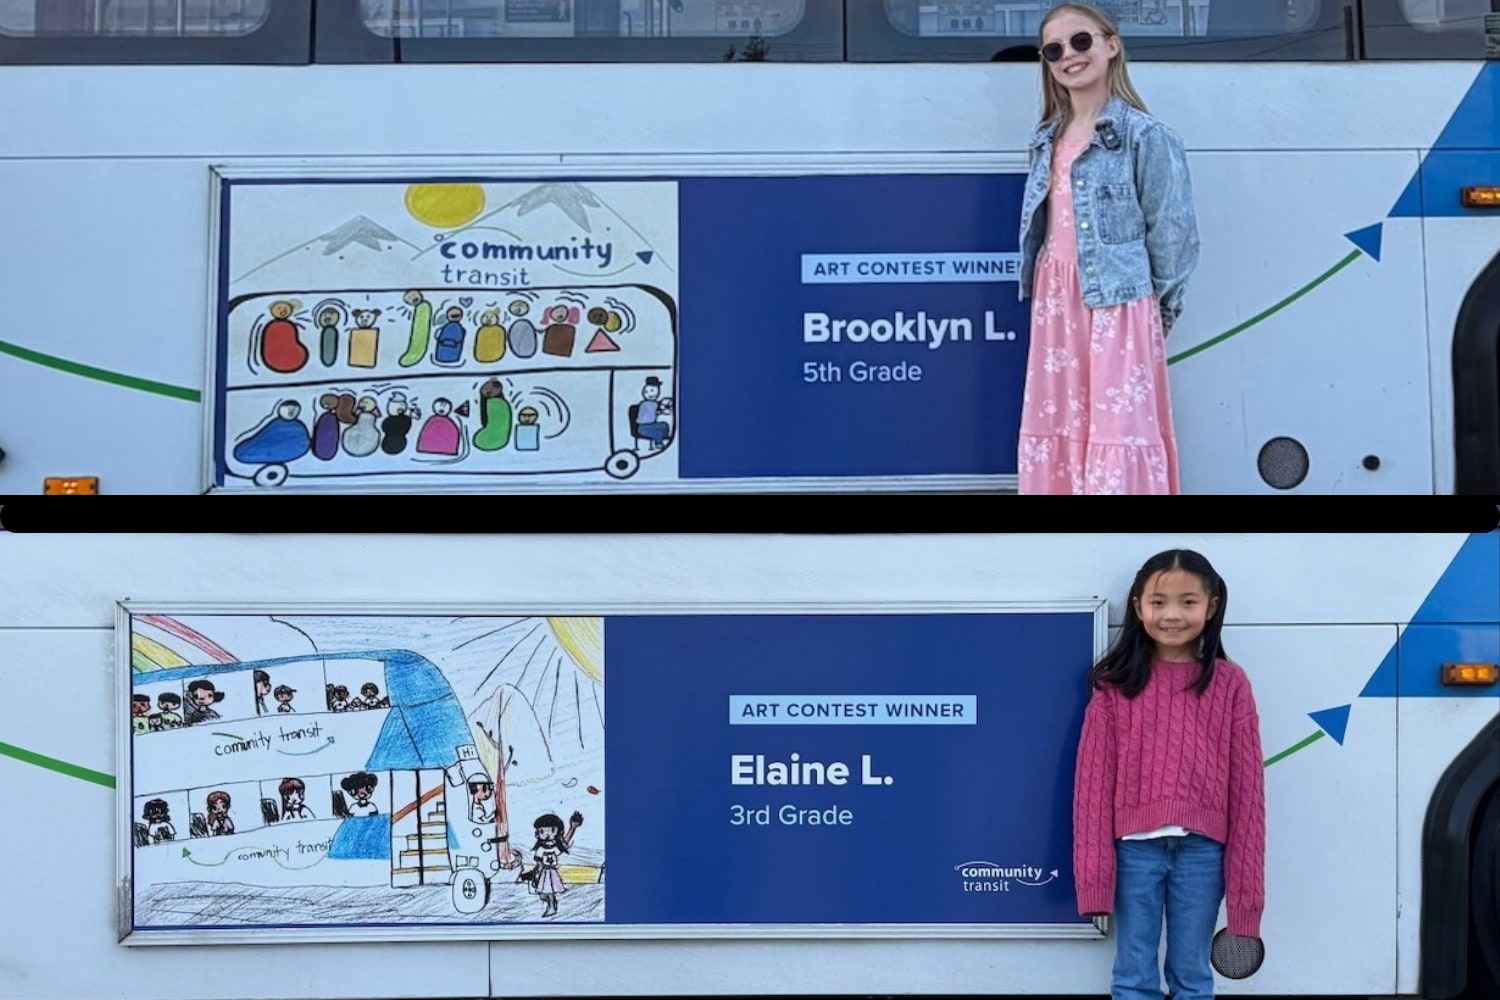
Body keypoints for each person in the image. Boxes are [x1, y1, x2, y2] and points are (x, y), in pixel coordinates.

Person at [1016, 3, 1198, 494]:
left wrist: (1151, 315)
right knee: (1060, 425)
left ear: (1111, 44)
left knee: (1120, 430)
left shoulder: (1147, 136)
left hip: (1119, 305)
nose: (1069, 56)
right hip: (1056, 305)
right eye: (1054, 50)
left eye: (1081, 41)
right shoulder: (1046, 140)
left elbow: (1174, 234)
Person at [1073, 549, 1265, 1000]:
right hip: (1134, 854)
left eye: (1188, 602)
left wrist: (1246, 898)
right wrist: (1095, 878)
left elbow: (1248, 792)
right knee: (1133, 976)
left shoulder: (1230, 684)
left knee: (1193, 976)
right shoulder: (1113, 686)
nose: (1173, 615)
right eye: (1159, 602)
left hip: (1202, 855)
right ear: (1138, 606)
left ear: (1211, 607)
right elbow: (1092, 786)